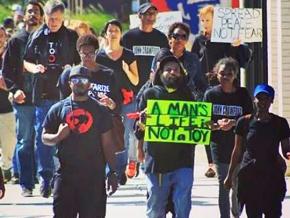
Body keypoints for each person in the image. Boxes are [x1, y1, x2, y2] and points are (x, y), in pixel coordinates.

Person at [42, 65, 118, 217]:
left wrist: (112, 172)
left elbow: (108, 144)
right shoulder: (58, 109)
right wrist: (57, 136)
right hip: (65, 176)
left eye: (84, 80)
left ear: (90, 84)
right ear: (69, 83)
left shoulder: (100, 110)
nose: (80, 83)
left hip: (93, 177)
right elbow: (44, 137)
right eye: (75, 79)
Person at [23, 0, 80, 198]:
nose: (53, 22)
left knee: (68, 136)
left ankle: (64, 175)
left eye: (56, 19)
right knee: (43, 136)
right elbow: (27, 61)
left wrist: (71, 70)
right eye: (49, 19)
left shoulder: (72, 36)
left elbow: (80, 63)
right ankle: (46, 177)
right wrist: (35, 69)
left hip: (66, 95)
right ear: (44, 17)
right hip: (43, 93)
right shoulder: (37, 35)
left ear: (63, 17)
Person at [57, 34, 125, 184]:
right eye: (84, 53)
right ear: (78, 53)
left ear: (97, 52)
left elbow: (118, 104)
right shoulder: (69, 75)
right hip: (79, 125)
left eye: (91, 53)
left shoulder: (108, 74)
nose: (87, 56)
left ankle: (110, 175)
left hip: (103, 125)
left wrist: (111, 103)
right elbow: (63, 103)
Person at [138, 55, 195, 218]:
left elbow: (196, 124)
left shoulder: (188, 96)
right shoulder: (150, 94)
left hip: (183, 160)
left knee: (182, 203)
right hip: (157, 162)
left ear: (181, 73)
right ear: (160, 73)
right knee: (155, 205)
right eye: (168, 69)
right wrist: (142, 123)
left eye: (176, 69)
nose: (172, 72)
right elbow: (139, 129)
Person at [224, 84, 290, 218]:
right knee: (253, 214)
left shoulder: (280, 123)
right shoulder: (244, 122)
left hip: (272, 177)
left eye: (266, 98)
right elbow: (237, 150)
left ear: (272, 101)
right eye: (259, 98)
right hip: (250, 176)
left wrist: (288, 155)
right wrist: (230, 176)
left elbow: (286, 149)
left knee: (274, 213)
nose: (262, 102)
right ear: (254, 100)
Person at [2, 0, 44, 197]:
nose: (33, 14)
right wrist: (14, 89)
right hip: (23, 99)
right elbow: (7, 71)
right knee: (25, 141)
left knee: (43, 141)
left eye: (36, 11)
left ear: (42, 16)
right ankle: (26, 183)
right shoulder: (16, 40)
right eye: (30, 11)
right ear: (24, 16)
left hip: (45, 98)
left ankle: (45, 179)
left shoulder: (47, 39)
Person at [203, 57, 253, 218]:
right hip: (218, 144)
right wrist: (216, 125)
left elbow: (251, 117)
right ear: (217, 74)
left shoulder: (243, 94)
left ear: (235, 76)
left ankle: (236, 213)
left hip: (238, 146)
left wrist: (234, 122)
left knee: (237, 184)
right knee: (224, 183)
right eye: (222, 73)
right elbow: (204, 121)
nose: (225, 77)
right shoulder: (210, 94)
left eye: (229, 74)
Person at [96, 19, 140, 179]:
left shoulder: (128, 54)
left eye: (116, 30)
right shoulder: (99, 56)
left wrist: (127, 70)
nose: (113, 33)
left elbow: (135, 80)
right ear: (106, 34)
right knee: (109, 135)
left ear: (121, 34)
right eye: (110, 30)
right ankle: (113, 169)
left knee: (126, 134)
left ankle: (126, 165)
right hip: (107, 101)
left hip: (127, 100)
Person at [191, 5, 251, 87]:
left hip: (223, 83)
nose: (204, 23)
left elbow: (232, 59)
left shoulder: (225, 38)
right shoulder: (199, 39)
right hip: (204, 84)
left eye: (207, 20)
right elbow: (193, 61)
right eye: (202, 20)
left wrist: (234, 46)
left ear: (215, 20)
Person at [122, 2, 169, 91]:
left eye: (154, 14)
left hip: (154, 87)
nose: (151, 16)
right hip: (131, 87)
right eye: (148, 13)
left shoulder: (161, 38)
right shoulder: (128, 37)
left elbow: (165, 61)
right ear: (139, 15)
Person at [0, 26, 16, 184]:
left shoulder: (9, 56)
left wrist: (5, 85)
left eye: (1, 36)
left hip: (6, 108)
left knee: (9, 145)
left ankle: (5, 167)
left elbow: (13, 80)